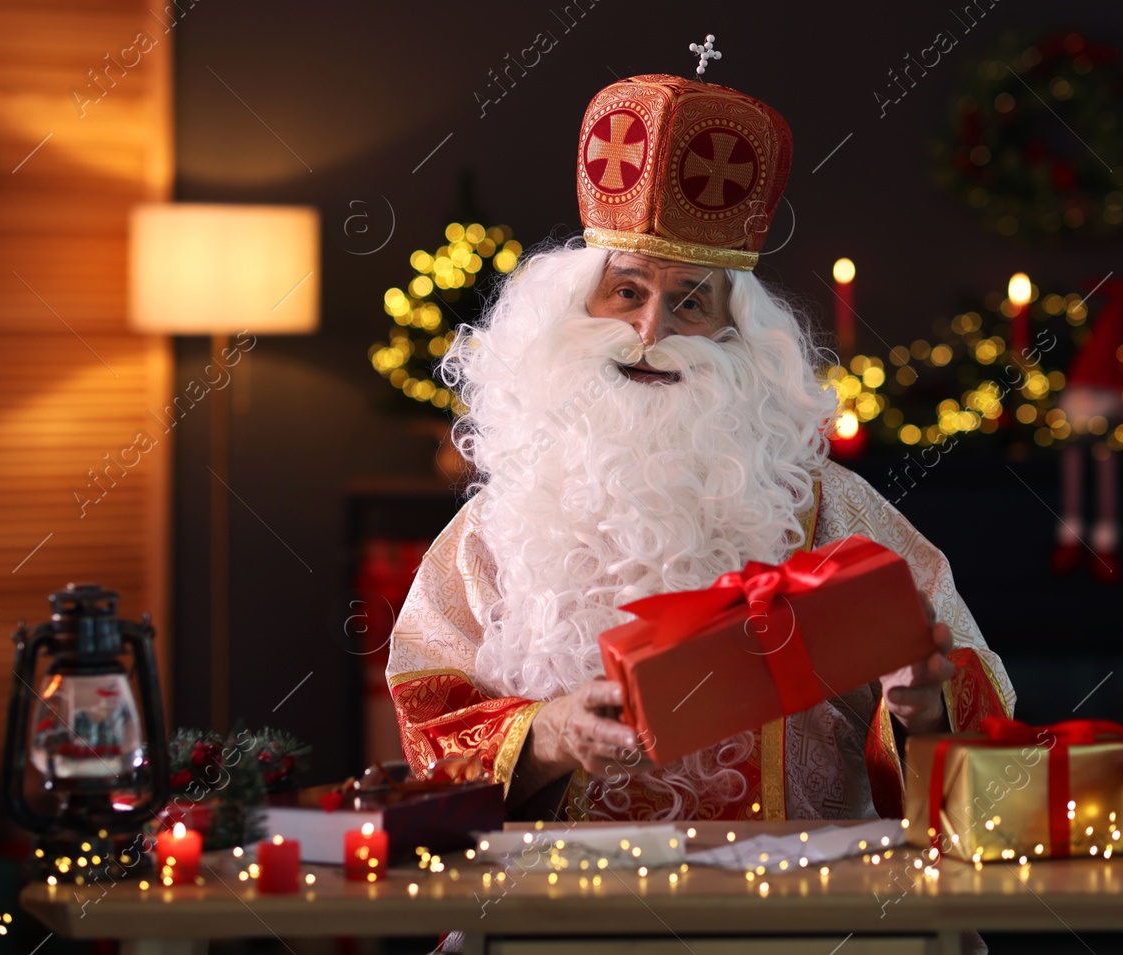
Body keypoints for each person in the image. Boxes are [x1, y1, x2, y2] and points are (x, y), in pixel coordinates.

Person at [386, 68, 1013, 823]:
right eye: (627, 292)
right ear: (572, 311)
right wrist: (547, 736)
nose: (650, 334)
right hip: (556, 921)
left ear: (738, 335)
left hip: (780, 920)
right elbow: (427, 741)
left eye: (689, 301)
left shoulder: (824, 512)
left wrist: (918, 709)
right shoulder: (499, 527)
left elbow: (983, 739)